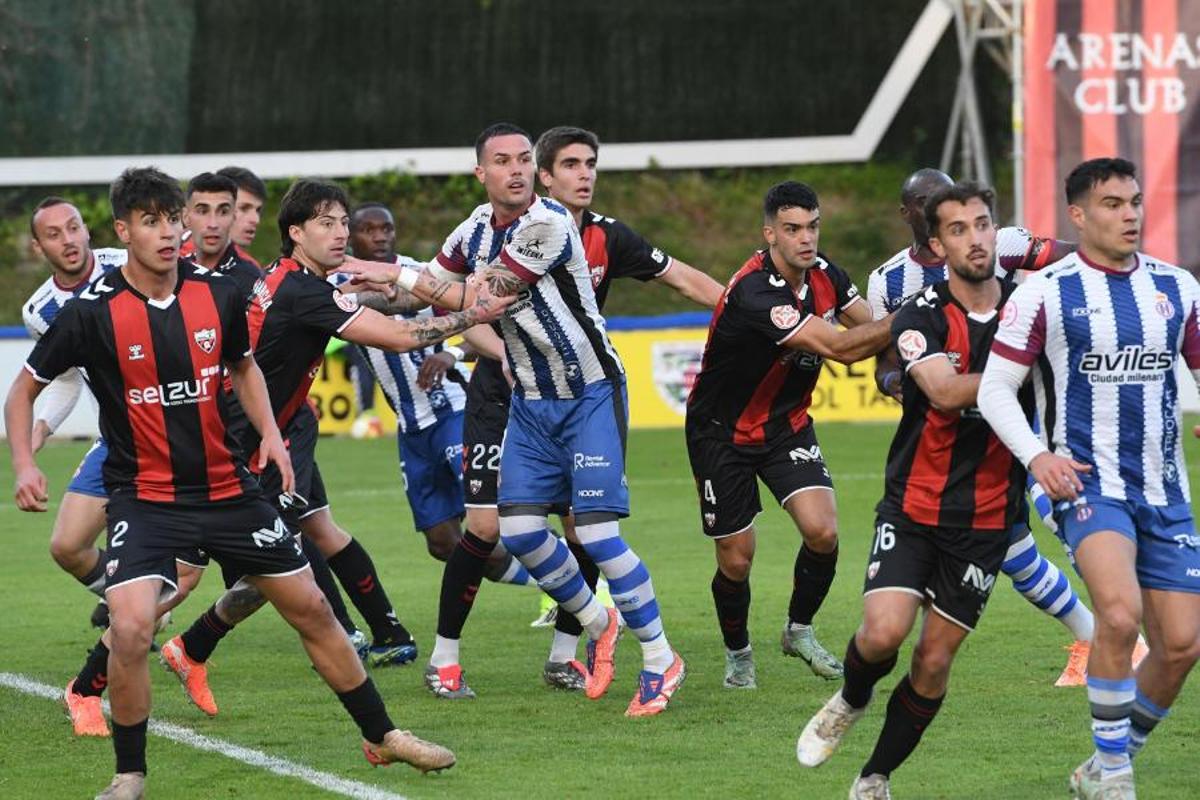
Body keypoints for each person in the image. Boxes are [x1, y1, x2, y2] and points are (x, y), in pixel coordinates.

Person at [6, 167, 458, 800]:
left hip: (228, 489)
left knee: (314, 609)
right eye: (151, 222)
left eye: (173, 220)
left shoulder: (216, 294)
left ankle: (381, 735)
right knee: (132, 628)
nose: (168, 233)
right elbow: (24, 390)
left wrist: (272, 435)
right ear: (123, 230)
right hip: (148, 496)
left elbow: (243, 367)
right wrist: (26, 463)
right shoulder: (90, 313)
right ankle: (128, 774)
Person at [338, 122, 685, 717]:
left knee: (597, 535)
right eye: (503, 161)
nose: (517, 169)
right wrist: (357, 287)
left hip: (589, 393)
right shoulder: (474, 226)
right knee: (520, 533)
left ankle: (660, 660)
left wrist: (394, 274)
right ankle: (601, 624)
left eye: (525, 159)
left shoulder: (546, 225)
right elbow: (432, 288)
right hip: (528, 400)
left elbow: (478, 297)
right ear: (482, 173)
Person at [159, 178, 515, 717]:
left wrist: (423, 287)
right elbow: (396, 334)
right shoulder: (301, 289)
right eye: (328, 223)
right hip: (228, 447)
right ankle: (100, 677)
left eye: (344, 222)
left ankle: (201, 648)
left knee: (295, 555)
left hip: (272, 436)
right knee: (204, 575)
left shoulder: (296, 278)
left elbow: (385, 297)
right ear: (297, 233)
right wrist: (474, 313)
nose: (342, 232)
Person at [797, 180, 1033, 799]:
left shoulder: (1032, 307)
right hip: (915, 504)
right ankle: (849, 699)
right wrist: (1023, 367)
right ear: (937, 243)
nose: (975, 238)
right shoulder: (921, 313)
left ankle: (874, 777)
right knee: (882, 635)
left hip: (986, 519)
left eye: (983, 224)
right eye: (959, 229)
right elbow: (948, 393)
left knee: (933, 663)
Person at [979, 157, 1200, 800]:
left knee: (1182, 646)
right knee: (1119, 612)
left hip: (1165, 490)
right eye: (1111, 203)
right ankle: (1118, 781)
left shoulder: (1178, 287)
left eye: (1133, 201)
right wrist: (1037, 459)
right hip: (1086, 486)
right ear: (1078, 215)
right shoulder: (1044, 292)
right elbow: (995, 390)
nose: (1129, 213)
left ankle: (1105, 761)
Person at [865, 168, 1129, 688]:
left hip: (1028, 416)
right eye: (923, 202)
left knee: (1065, 514)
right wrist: (901, 379)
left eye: (940, 196)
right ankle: (1103, 635)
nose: (935, 206)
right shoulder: (888, 280)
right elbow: (885, 365)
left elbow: (1071, 257)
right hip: (957, 445)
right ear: (911, 216)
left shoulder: (996, 241)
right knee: (1012, 549)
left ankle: (1119, 631)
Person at [685, 181, 891, 690]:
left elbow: (874, 329)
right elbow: (843, 348)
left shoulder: (827, 276)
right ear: (770, 233)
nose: (806, 238)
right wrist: (921, 312)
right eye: (793, 229)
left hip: (786, 425)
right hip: (721, 433)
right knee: (737, 558)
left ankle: (798, 631)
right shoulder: (755, 290)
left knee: (823, 531)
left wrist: (912, 368)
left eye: (813, 227)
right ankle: (738, 656)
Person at [340, 201, 534, 587]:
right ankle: (548, 583)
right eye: (369, 229)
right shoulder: (335, 287)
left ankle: (570, 584)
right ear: (349, 235)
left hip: (455, 413)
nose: (380, 236)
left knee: (497, 516)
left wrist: (453, 352)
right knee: (443, 542)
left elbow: (483, 318)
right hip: (411, 427)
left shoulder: (422, 275)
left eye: (387, 228)